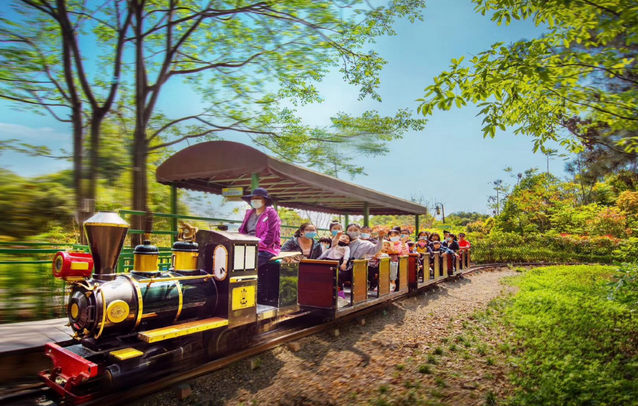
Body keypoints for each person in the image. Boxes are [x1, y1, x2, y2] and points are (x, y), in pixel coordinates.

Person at [238, 188, 281, 267]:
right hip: (248, 246)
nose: (255, 200)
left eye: (258, 198)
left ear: (265, 200)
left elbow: (271, 234)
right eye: (253, 198)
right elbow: (242, 231)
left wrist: (256, 245)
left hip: (265, 249)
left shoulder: (271, 213)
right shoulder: (249, 213)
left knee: (248, 262)